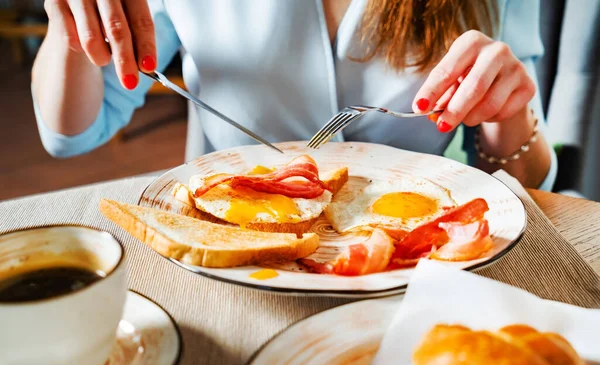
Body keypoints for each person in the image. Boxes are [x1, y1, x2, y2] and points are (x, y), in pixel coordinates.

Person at [31, 0, 556, 190]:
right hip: (232, 252)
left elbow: (524, 179)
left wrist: (505, 111)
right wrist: (70, 27)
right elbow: (71, 135)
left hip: (413, 264)